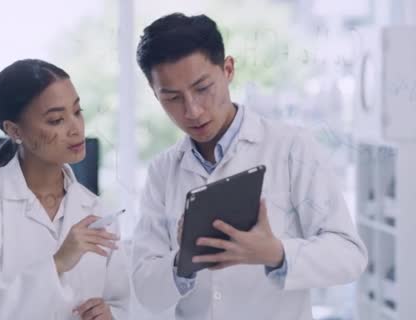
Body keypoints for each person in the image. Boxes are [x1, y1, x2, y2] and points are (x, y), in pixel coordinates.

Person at [131, 13, 367, 320]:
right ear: (155, 94)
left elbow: (350, 256)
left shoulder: (293, 148)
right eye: (172, 98)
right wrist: (182, 263)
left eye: (202, 88)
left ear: (228, 69)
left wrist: (276, 254)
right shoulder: (163, 171)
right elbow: (145, 288)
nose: (192, 110)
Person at [0, 59, 130, 320]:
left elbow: (122, 303)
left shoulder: (95, 210)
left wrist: (111, 315)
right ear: (14, 130)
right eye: (56, 120)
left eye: (77, 112)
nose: (76, 128)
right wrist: (57, 263)